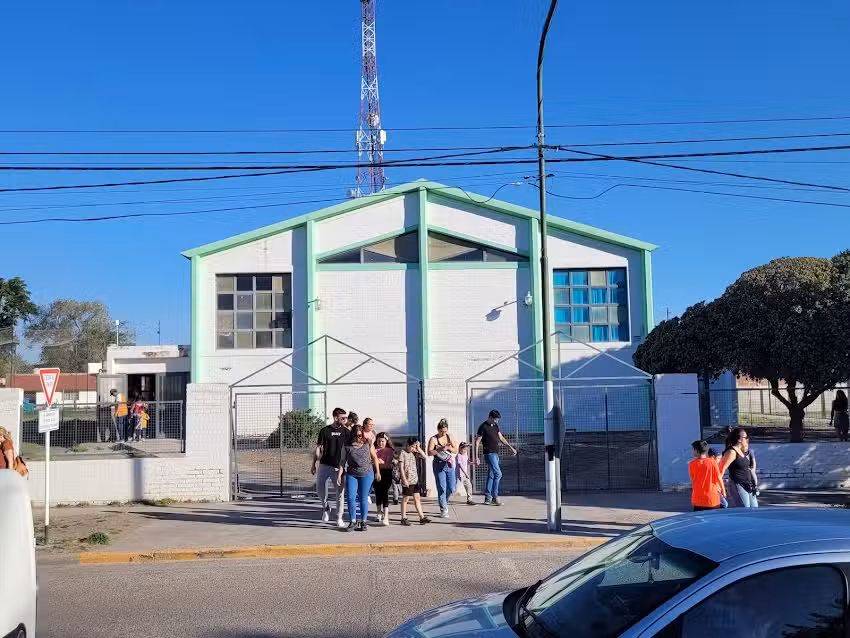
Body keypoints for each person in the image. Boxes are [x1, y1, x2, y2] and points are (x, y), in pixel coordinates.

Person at [337, 424, 381, 532]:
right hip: (352, 474)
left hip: (366, 474)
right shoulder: (347, 445)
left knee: (363, 498)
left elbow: (374, 457)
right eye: (356, 435)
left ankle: (363, 522)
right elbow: (342, 461)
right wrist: (339, 474)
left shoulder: (368, 443)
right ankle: (352, 521)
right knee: (351, 497)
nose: (359, 437)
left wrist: (378, 472)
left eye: (360, 435)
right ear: (353, 435)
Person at [311, 408, 349, 527]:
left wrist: (346, 466)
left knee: (340, 493)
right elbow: (317, 449)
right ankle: (326, 507)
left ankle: (339, 517)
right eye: (343, 418)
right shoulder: (325, 431)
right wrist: (313, 464)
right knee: (320, 488)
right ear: (336, 417)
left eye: (346, 418)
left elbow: (350, 450)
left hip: (339, 467)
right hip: (324, 464)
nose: (345, 420)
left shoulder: (347, 432)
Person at [475, 409, 517, 506]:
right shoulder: (483, 427)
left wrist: (510, 447)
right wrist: (476, 457)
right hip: (489, 454)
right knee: (498, 474)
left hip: (496, 454)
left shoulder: (496, 426)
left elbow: (501, 438)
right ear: (490, 417)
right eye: (495, 419)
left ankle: (487, 497)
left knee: (492, 475)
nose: (497, 421)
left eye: (497, 420)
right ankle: (495, 496)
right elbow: (477, 442)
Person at [719, 428, 759, 508]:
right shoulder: (732, 452)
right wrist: (720, 487)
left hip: (748, 485)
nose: (747, 439)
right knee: (745, 510)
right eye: (745, 437)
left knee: (755, 509)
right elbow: (721, 469)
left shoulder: (742, 451)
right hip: (737, 484)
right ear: (739, 439)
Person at [428, 419, 458, 518]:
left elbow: (455, 450)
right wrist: (440, 448)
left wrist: (449, 448)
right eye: (441, 431)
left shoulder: (450, 437)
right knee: (442, 487)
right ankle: (443, 509)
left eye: (445, 431)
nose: (443, 433)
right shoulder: (433, 439)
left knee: (452, 487)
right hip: (438, 464)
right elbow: (429, 452)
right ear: (438, 429)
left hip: (449, 464)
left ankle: (444, 501)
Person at [399, 438, 431, 526]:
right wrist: (404, 479)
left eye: (414, 447)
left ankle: (422, 517)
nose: (413, 448)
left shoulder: (414, 453)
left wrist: (418, 447)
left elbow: (424, 456)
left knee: (417, 498)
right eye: (412, 447)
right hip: (407, 480)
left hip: (414, 480)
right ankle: (403, 518)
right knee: (406, 498)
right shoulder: (403, 453)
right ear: (408, 445)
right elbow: (401, 467)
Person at [689, 440, 726, 512]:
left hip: (698, 498)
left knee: (700, 520)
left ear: (696, 451)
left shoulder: (691, 464)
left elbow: (693, 479)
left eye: (693, 450)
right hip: (712, 498)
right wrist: (723, 490)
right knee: (713, 520)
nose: (692, 451)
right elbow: (719, 478)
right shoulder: (712, 462)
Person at [374, 432, 394, 526]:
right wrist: (377, 461)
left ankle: (386, 516)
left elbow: (387, 463)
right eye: (379, 441)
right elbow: (371, 461)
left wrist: (378, 461)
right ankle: (378, 513)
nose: (380, 443)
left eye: (382, 441)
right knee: (378, 493)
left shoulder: (389, 450)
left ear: (386, 441)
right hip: (376, 473)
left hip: (386, 473)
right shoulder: (374, 449)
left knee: (385, 493)